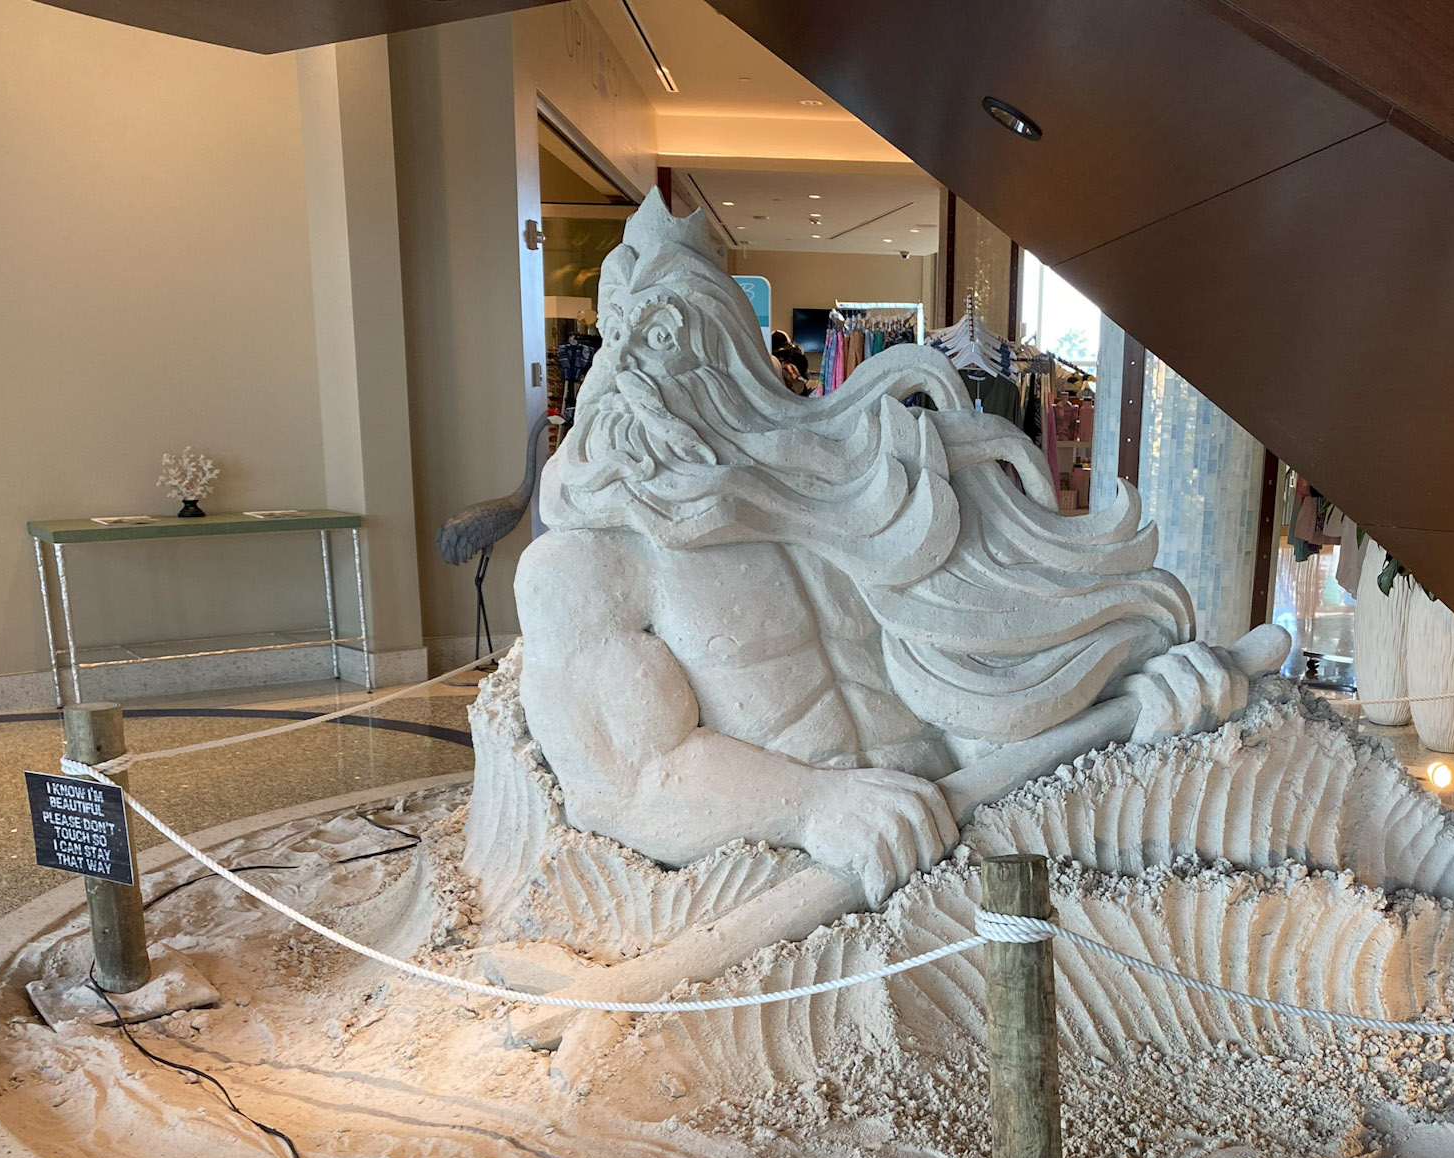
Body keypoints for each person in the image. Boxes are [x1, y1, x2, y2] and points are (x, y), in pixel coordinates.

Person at [516, 195, 1247, 906]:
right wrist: (813, 806)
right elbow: (621, 784)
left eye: (663, 339)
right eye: (616, 336)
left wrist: (1133, 689)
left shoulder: (846, 492)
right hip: (791, 883)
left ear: (735, 363)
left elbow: (975, 683)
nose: (627, 369)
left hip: (964, 833)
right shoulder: (579, 571)